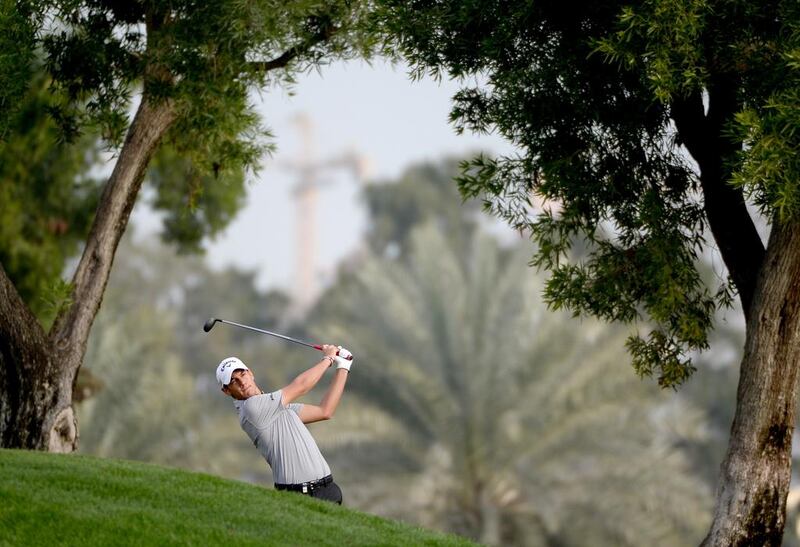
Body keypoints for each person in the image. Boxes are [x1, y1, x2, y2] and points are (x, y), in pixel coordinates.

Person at [216, 344, 352, 504]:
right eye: (233, 381)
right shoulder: (252, 409)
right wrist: (328, 358)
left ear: (250, 373)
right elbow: (301, 386)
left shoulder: (275, 407)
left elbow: (325, 411)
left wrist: (343, 366)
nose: (241, 382)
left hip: (328, 488)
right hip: (299, 495)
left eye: (242, 374)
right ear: (227, 391)